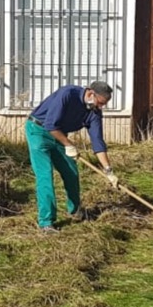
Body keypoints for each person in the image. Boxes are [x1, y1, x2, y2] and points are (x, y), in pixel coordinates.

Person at [24, 81, 119, 233]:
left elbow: (98, 142)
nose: (100, 107)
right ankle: (46, 222)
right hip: (38, 131)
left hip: (60, 135)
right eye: (100, 103)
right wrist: (68, 145)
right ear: (90, 93)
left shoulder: (94, 112)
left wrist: (108, 171)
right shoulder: (67, 94)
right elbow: (50, 124)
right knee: (45, 176)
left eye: (104, 104)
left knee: (71, 172)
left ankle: (75, 211)